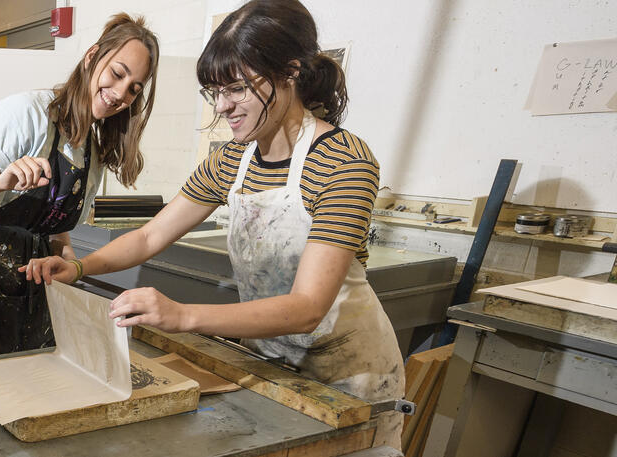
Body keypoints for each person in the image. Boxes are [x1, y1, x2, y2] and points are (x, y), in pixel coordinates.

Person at [21, 0, 405, 449]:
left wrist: (183, 315)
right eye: (215, 92)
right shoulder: (231, 161)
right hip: (272, 363)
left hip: (349, 377)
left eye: (237, 89)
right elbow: (150, 235)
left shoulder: (345, 161)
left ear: (290, 72)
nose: (222, 106)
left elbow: (307, 307)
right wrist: (81, 268)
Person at [0, 13, 160, 364]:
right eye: (117, 73)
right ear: (92, 57)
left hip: (27, 287)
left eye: (134, 88)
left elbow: (55, 227)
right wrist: (1, 180)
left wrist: (68, 256)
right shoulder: (27, 113)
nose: (120, 93)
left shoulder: (93, 153)